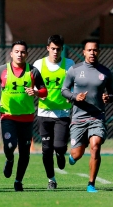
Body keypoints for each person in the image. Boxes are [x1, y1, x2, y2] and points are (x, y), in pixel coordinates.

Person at [0, 40, 47, 191]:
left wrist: (35, 92)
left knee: (25, 152)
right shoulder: (3, 69)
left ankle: (18, 181)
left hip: (26, 118)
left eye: (22, 52)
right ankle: (9, 159)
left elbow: (44, 91)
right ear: (11, 53)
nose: (19, 54)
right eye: (17, 51)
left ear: (26, 54)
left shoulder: (33, 71)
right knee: (9, 145)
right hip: (7, 116)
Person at [62, 39, 113, 193]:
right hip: (78, 118)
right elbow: (64, 90)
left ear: (98, 52)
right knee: (77, 153)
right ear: (84, 52)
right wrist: (75, 97)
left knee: (95, 147)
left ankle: (91, 184)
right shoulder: (74, 70)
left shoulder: (105, 72)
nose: (92, 53)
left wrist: (109, 97)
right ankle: (74, 155)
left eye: (95, 50)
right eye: (89, 50)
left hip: (97, 117)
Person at [33, 35, 75, 189]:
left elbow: (73, 84)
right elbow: (36, 85)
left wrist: (73, 96)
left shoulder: (69, 64)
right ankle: (51, 179)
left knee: (58, 146)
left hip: (62, 113)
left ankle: (61, 153)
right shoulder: (39, 64)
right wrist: (35, 92)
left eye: (58, 49)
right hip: (44, 113)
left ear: (62, 49)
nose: (55, 51)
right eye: (53, 49)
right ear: (47, 48)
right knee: (46, 150)